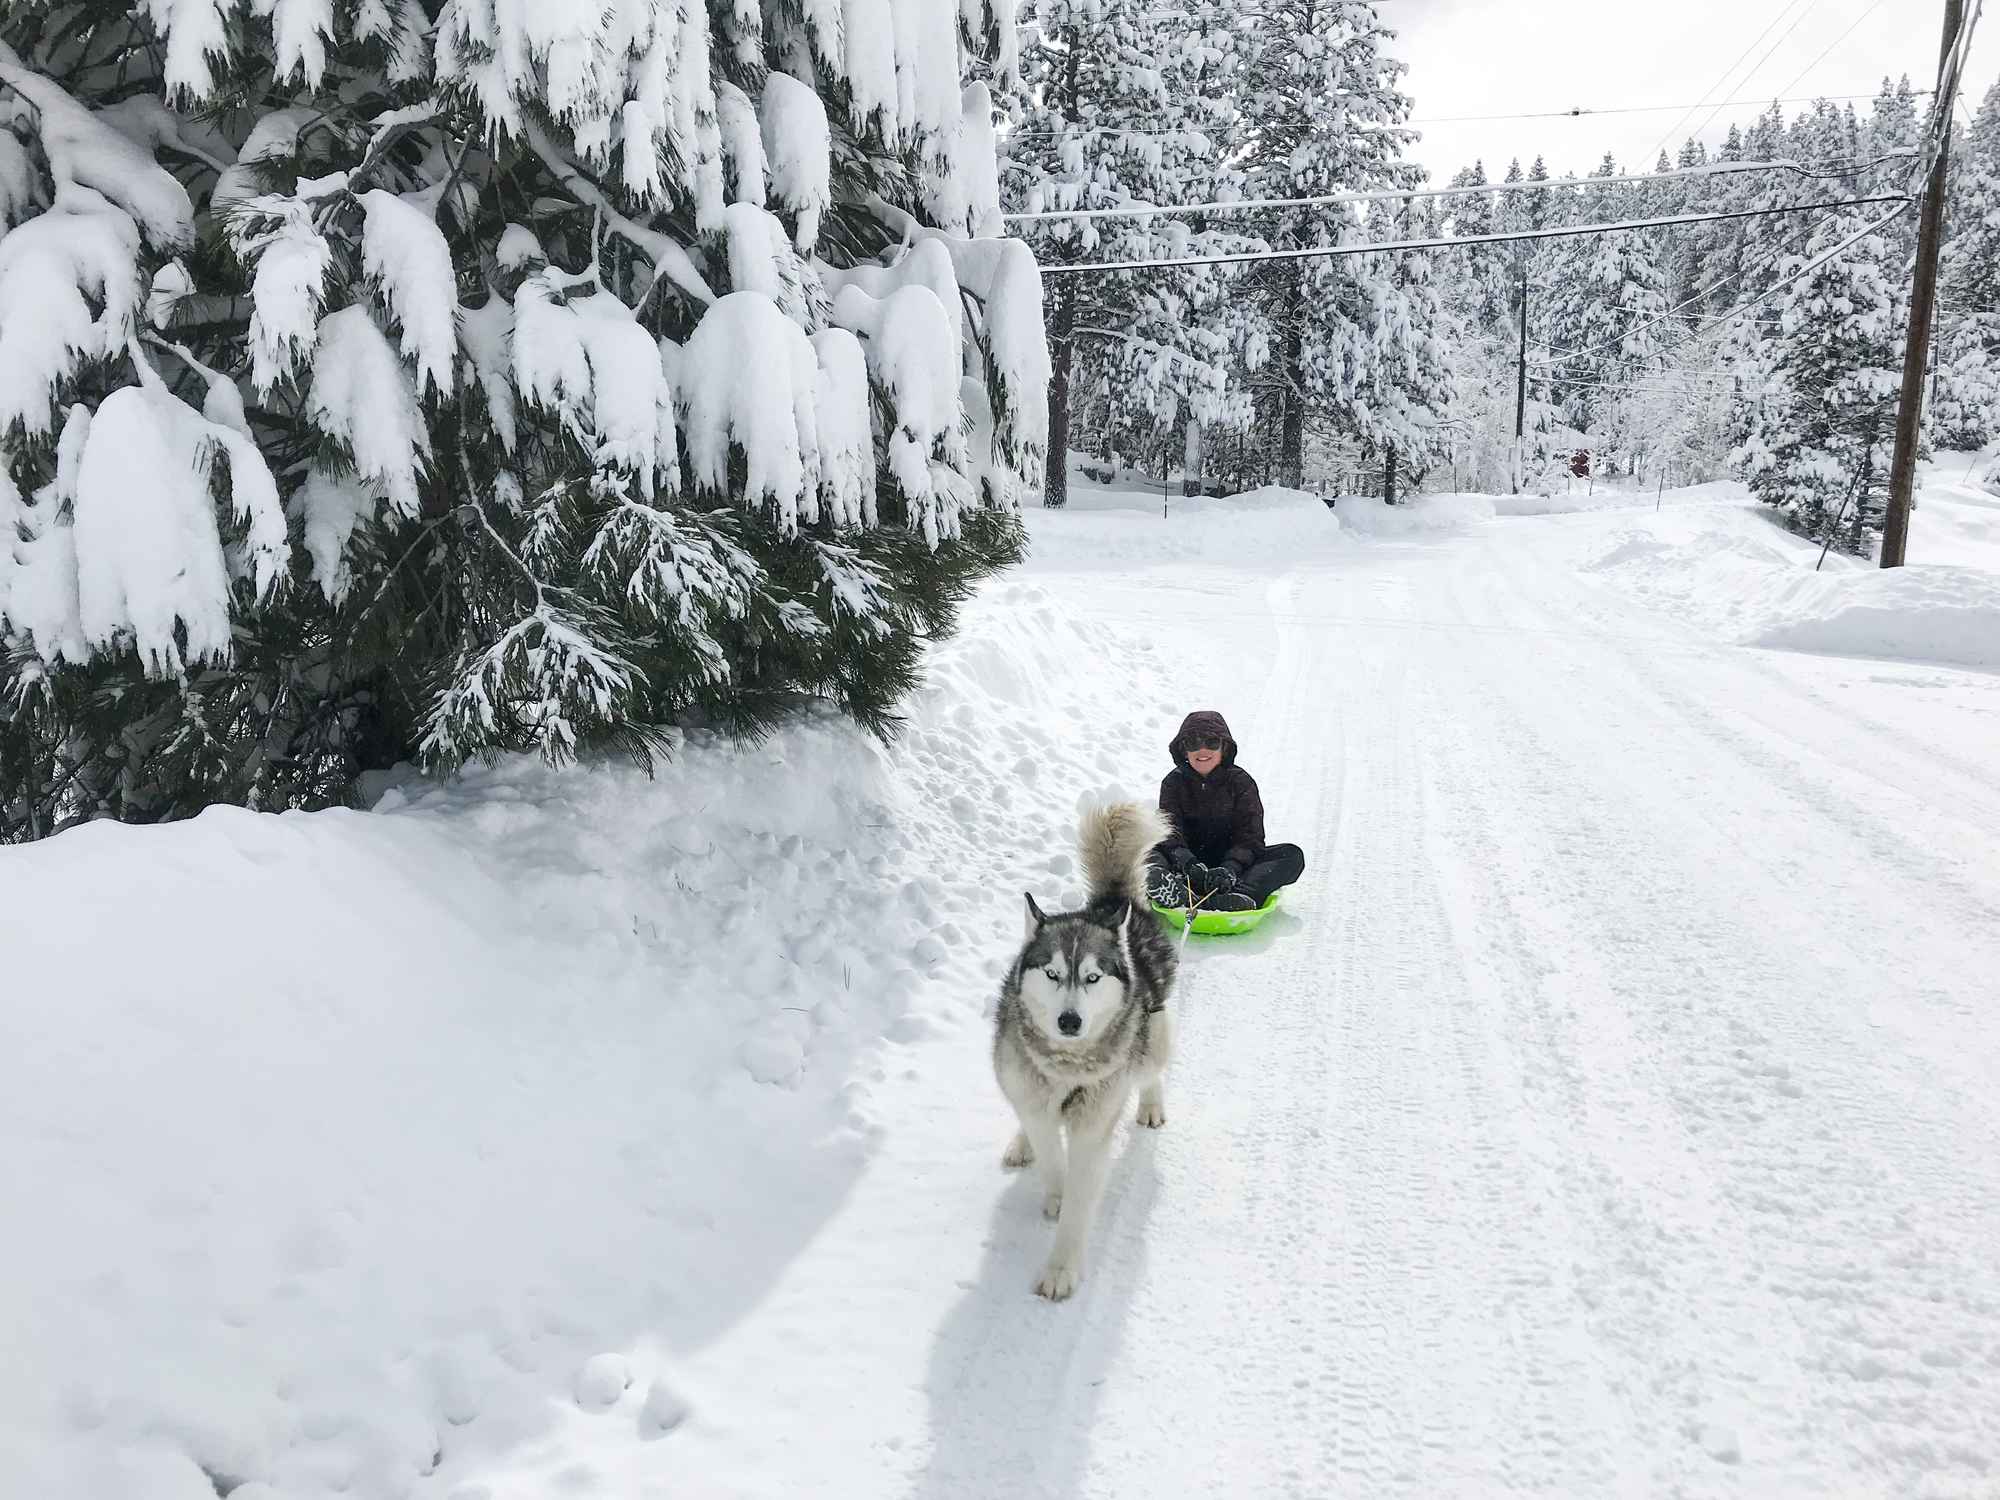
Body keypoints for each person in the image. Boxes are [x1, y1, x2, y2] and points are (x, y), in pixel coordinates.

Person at [1146, 710, 1305, 914]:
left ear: (1224, 747)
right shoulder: (1173, 783)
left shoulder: (1241, 782)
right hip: (1187, 868)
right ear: (1183, 750)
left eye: (1211, 742)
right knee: (1145, 851)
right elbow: (1169, 832)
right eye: (1193, 743)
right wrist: (1189, 864)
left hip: (1232, 871)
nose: (1202, 750)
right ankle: (1177, 891)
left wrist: (1230, 869)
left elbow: (1251, 837)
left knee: (1290, 855)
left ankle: (1238, 896)